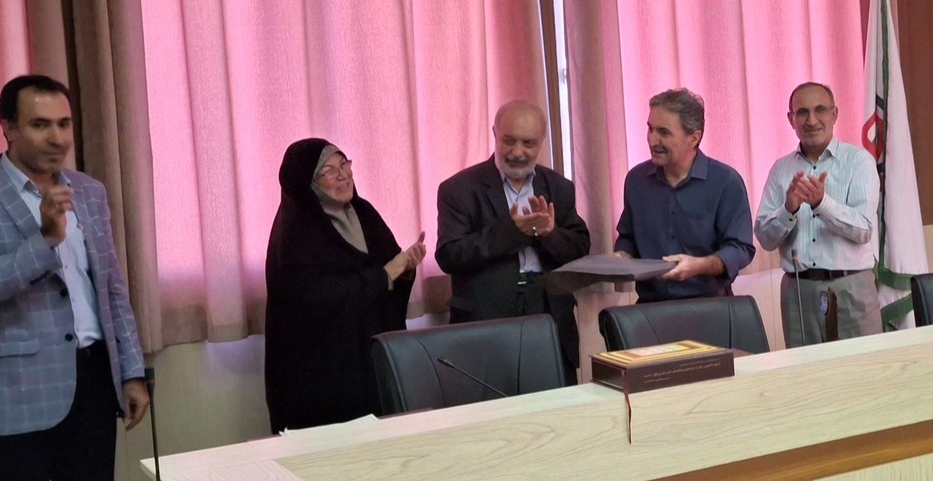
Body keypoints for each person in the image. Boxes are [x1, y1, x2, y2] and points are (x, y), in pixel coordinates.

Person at [0, 75, 148, 481]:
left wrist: (131, 371)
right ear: (8, 128)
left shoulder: (89, 191)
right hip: (16, 395)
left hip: (92, 385)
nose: (57, 138)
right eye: (40, 124)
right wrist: (44, 241)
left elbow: (111, 288)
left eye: (64, 124)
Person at [265, 138, 425, 432]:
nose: (343, 175)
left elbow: (390, 271)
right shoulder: (295, 234)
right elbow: (316, 302)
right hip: (323, 374)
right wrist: (386, 274)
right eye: (328, 171)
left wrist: (405, 270)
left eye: (344, 164)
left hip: (370, 360)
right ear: (307, 183)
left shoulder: (365, 214)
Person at [435, 100, 589, 385]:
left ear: (542, 141)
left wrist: (550, 233)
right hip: (486, 317)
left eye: (528, 143)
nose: (517, 152)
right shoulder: (459, 189)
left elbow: (579, 247)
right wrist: (511, 232)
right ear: (495, 133)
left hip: (547, 311)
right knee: (493, 404)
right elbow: (449, 255)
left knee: (555, 401)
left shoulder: (559, 187)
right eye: (509, 141)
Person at [755, 82, 881, 347]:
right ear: (791, 119)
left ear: (834, 114)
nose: (811, 120)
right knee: (806, 370)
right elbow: (765, 239)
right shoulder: (780, 169)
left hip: (851, 287)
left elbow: (864, 230)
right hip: (799, 293)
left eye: (820, 110)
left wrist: (821, 204)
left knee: (861, 368)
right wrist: (788, 209)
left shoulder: (859, 161)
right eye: (802, 112)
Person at [614, 88, 755, 303]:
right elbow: (628, 238)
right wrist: (622, 256)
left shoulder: (726, 182)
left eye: (664, 132)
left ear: (694, 138)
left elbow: (741, 249)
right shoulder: (636, 181)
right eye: (650, 129)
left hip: (710, 305)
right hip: (651, 306)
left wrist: (700, 265)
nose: (652, 140)